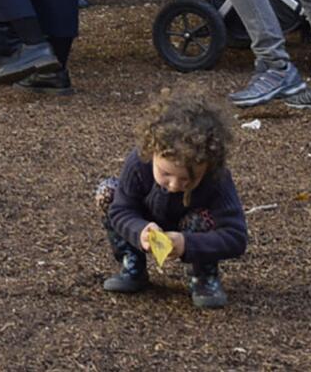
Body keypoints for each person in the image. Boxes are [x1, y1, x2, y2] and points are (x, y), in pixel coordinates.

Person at [95, 93, 248, 310]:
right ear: (152, 152)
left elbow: (236, 237)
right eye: (165, 173)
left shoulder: (217, 179)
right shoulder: (139, 163)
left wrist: (188, 244)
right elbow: (121, 209)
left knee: (202, 219)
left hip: (192, 225)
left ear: (209, 166)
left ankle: (203, 277)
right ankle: (132, 263)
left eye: (188, 179)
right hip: (147, 218)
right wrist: (139, 231)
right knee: (108, 192)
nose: (175, 185)